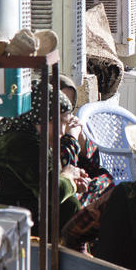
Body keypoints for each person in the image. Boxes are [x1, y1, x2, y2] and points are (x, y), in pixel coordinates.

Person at [0, 80, 82, 233]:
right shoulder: (23, 142)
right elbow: (53, 192)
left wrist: (71, 181)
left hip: (15, 206)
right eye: (58, 121)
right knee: (69, 205)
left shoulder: (29, 137)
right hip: (3, 218)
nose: (62, 132)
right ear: (39, 117)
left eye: (65, 123)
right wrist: (69, 177)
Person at [58, 77, 114, 206]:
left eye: (68, 105)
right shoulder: (45, 128)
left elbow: (94, 162)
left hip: (78, 179)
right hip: (62, 187)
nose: (64, 109)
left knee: (106, 179)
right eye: (60, 103)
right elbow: (66, 166)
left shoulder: (70, 123)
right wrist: (71, 138)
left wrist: (81, 140)